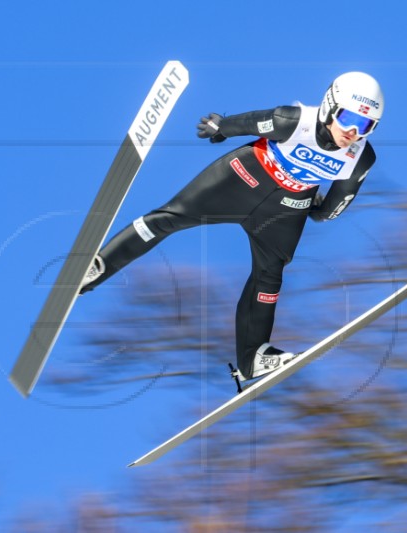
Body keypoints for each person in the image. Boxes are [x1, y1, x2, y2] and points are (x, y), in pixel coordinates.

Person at [79, 72, 383, 382]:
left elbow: (334, 205)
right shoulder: (293, 121)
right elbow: (251, 122)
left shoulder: (360, 157)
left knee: (269, 276)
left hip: (284, 209)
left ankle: (253, 358)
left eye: (366, 126)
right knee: (168, 218)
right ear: (330, 106)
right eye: (348, 118)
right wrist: (221, 127)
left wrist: (319, 209)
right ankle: (97, 268)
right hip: (243, 178)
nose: (353, 131)